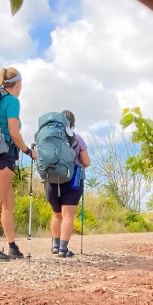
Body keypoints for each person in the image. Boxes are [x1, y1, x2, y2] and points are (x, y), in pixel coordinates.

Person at [0, 67, 35, 261]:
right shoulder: (12, 101)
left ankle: (12, 246)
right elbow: (14, 132)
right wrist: (29, 151)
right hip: (3, 156)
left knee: (7, 206)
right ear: (18, 84)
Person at [47, 110, 90, 258]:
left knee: (57, 215)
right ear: (73, 124)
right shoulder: (77, 139)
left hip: (51, 180)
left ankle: (55, 245)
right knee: (68, 216)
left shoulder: (49, 138)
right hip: (72, 181)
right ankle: (63, 249)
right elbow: (86, 162)